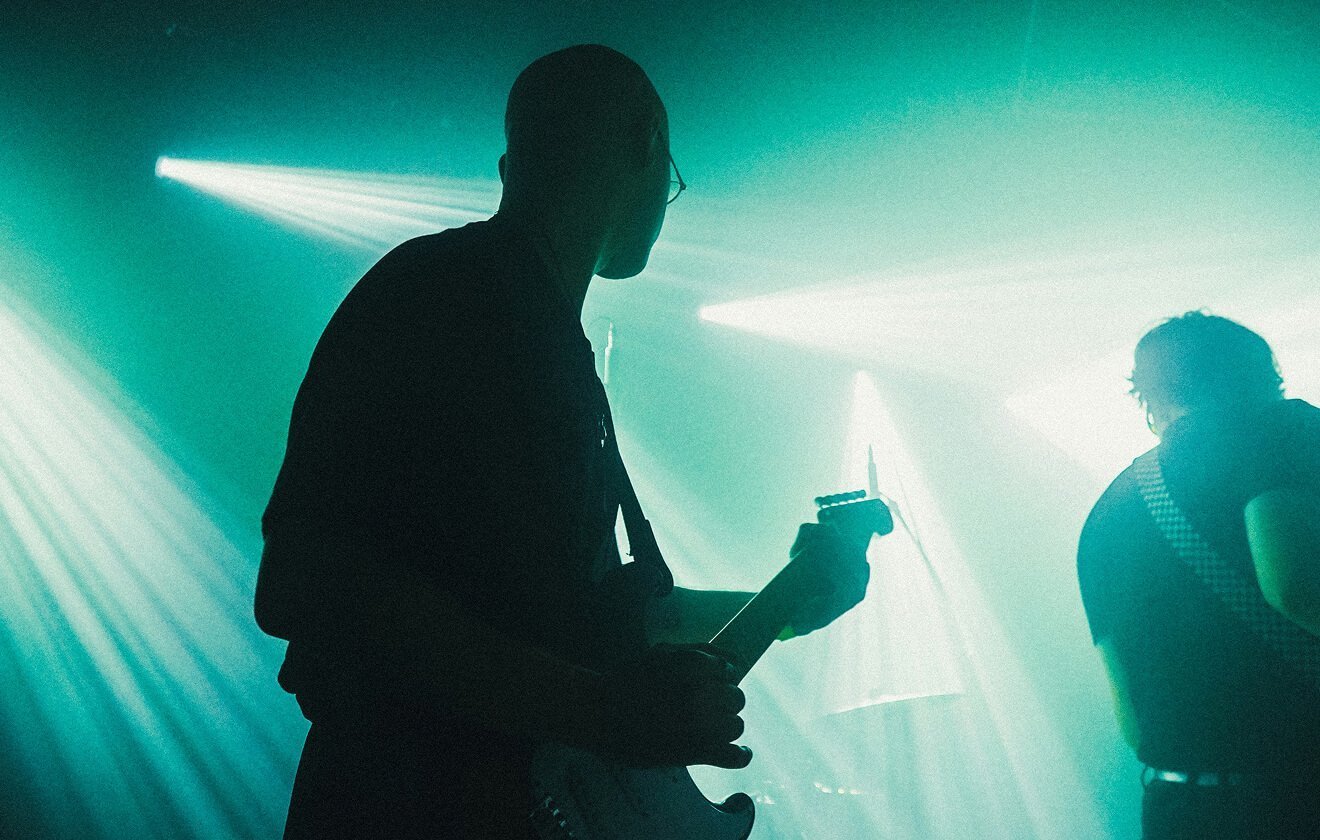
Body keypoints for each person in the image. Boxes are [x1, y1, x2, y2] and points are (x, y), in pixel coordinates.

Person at [254, 44, 870, 839]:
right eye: (672, 180)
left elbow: (601, 618)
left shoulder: (536, 339)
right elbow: (306, 581)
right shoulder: (446, 294)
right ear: (647, 140)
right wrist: (601, 711)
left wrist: (787, 603)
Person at [1077, 311, 1320, 839]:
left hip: (1180, 806)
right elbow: (1295, 587)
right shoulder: (1286, 432)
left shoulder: (1109, 511)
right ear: (1266, 376)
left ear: (1149, 397)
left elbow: (1133, 721)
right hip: (1301, 798)